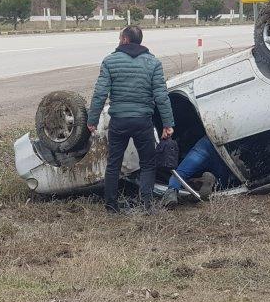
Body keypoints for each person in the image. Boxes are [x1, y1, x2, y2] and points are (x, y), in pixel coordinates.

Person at [87, 25, 174, 212]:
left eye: (120, 38)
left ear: (125, 40)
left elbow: (100, 93)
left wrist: (92, 120)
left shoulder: (110, 61)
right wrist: (168, 124)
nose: (118, 41)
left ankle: (111, 206)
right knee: (148, 163)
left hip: (119, 121)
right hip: (143, 121)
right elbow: (161, 95)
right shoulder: (153, 63)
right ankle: (147, 205)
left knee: (114, 163)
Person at [161, 135, 232, 207]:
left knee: (180, 174)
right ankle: (213, 182)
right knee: (223, 182)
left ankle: (171, 193)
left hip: (205, 144)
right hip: (223, 147)